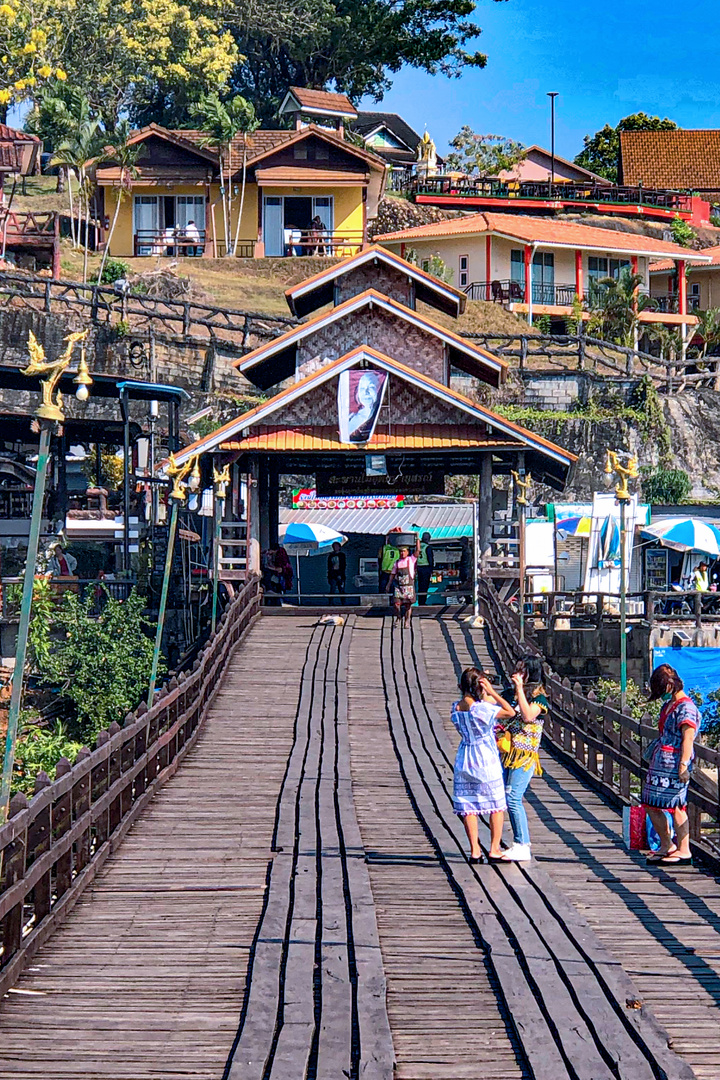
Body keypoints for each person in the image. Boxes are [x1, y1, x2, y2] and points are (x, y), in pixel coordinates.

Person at [451, 667, 514, 863]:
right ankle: (494, 848)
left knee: (468, 805)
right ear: (479, 687)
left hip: (465, 757)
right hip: (485, 757)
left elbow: (474, 705)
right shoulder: (483, 709)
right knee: (496, 804)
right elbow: (509, 712)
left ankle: (475, 850)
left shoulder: (456, 707)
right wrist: (493, 691)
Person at [643, 663, 700, 865]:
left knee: (677, 805)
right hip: (661, 764)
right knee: (651, 803)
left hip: (675, 764)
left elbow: (688, 738)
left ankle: (684, 849)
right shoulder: (669, 705)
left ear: (668, 686)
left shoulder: (687, 707)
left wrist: (684, 765)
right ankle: (667, 844)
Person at [496, 654, 549, 861]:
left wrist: (520, 690)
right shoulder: (509, 694)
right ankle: (506, 841)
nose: (516, 674)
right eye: (516, 669)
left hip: (524, 755)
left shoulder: (539, 698)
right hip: (507, 752)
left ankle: (522, 843)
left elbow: (528, 715)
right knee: (502, 796)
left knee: (513, 796)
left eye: (521, 671)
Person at [386, 536, 421, 628]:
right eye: (401, 551)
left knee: (408, 605)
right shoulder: (396, 563)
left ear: (407, 552)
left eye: (404, 551)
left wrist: (417, 539)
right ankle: (398, 617)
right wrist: (388, 585)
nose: (402, 553)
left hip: (408, 586)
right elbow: (392, 574)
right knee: (396, 604)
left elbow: (417, 551)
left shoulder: (411, 560)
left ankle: (407, 621)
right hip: (399, 586)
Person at [347, 372, 383, 442]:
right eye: (362, 388)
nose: (366, 392)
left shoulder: (377, 414)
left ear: (377, 390)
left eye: (371, 387)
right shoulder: (350, 416)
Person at [416, 532, 434, 605]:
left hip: (418, 567)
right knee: (425, 586)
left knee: (420, 586)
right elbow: (430, 559)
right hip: (426, 568)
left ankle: (420, 601)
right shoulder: (428, 547)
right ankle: (423, 602)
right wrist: (431, 569)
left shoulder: (418, 546)